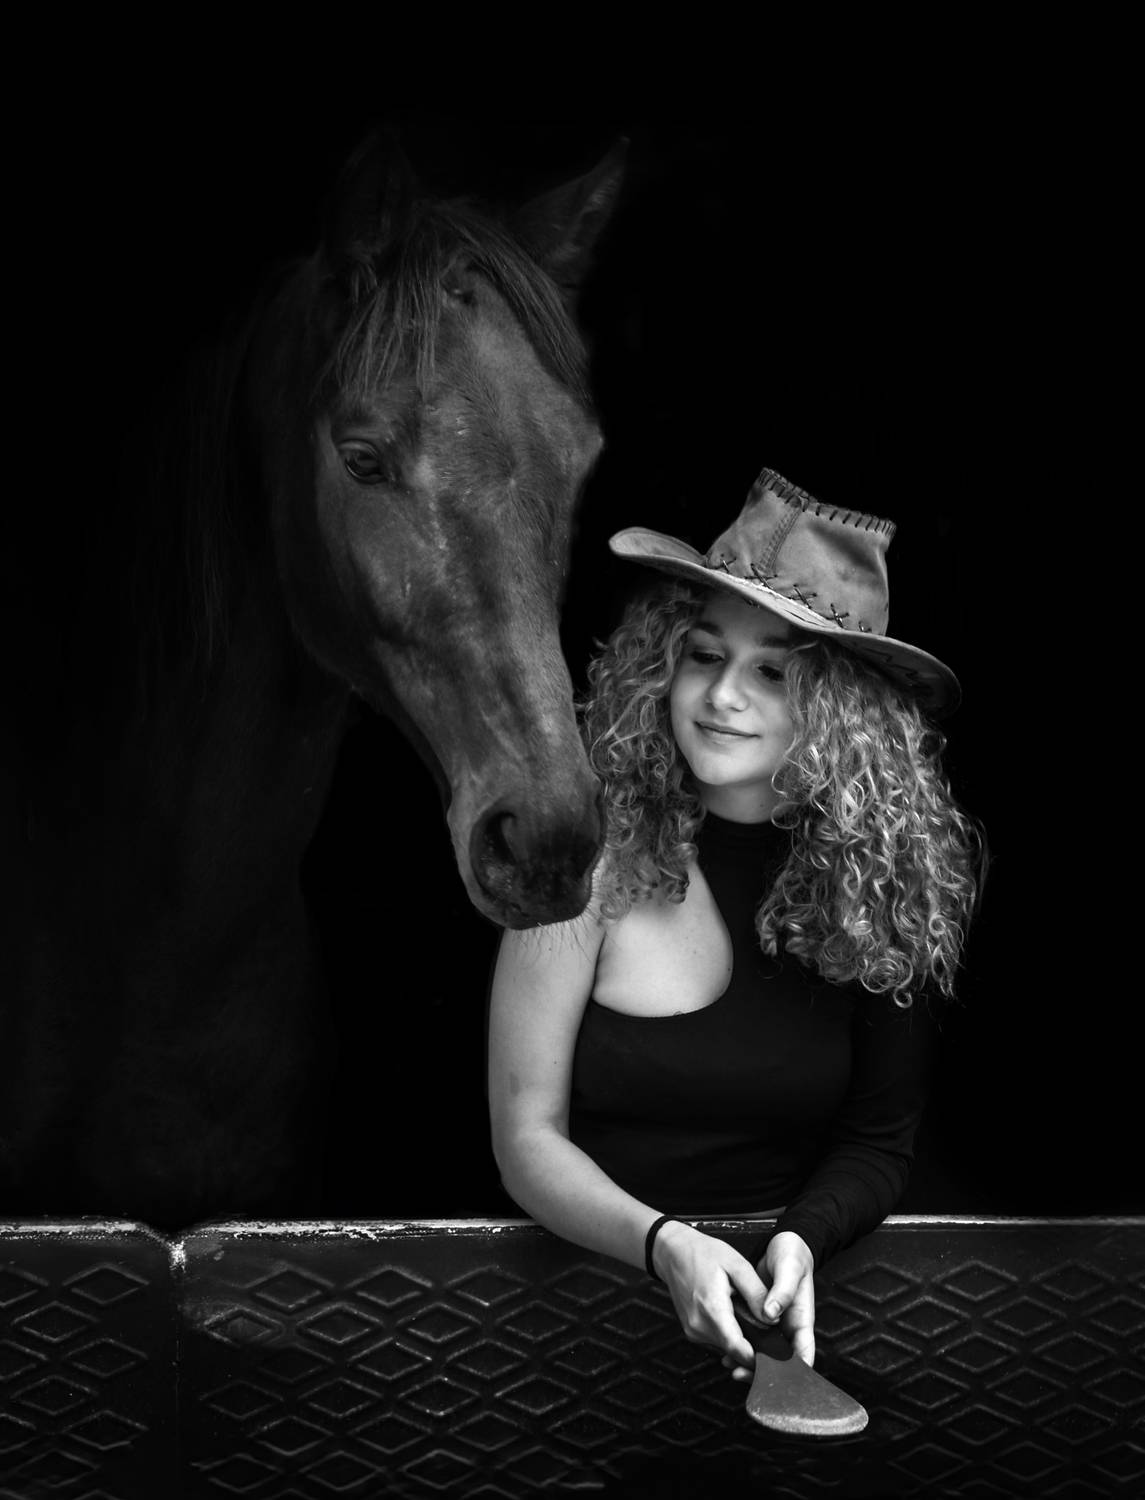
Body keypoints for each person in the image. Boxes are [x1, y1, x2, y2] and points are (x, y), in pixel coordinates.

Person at [487, 466, 983, 1383]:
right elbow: (526, 1139)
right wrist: (664, 1246)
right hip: (579, 1319)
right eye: (704, 655)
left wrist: (803, 1240)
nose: (721, 697)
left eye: (771, 672)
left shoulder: (887, 886)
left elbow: (877, 1141)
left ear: (841, 709)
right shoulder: (590, 863)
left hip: (789, 1320)